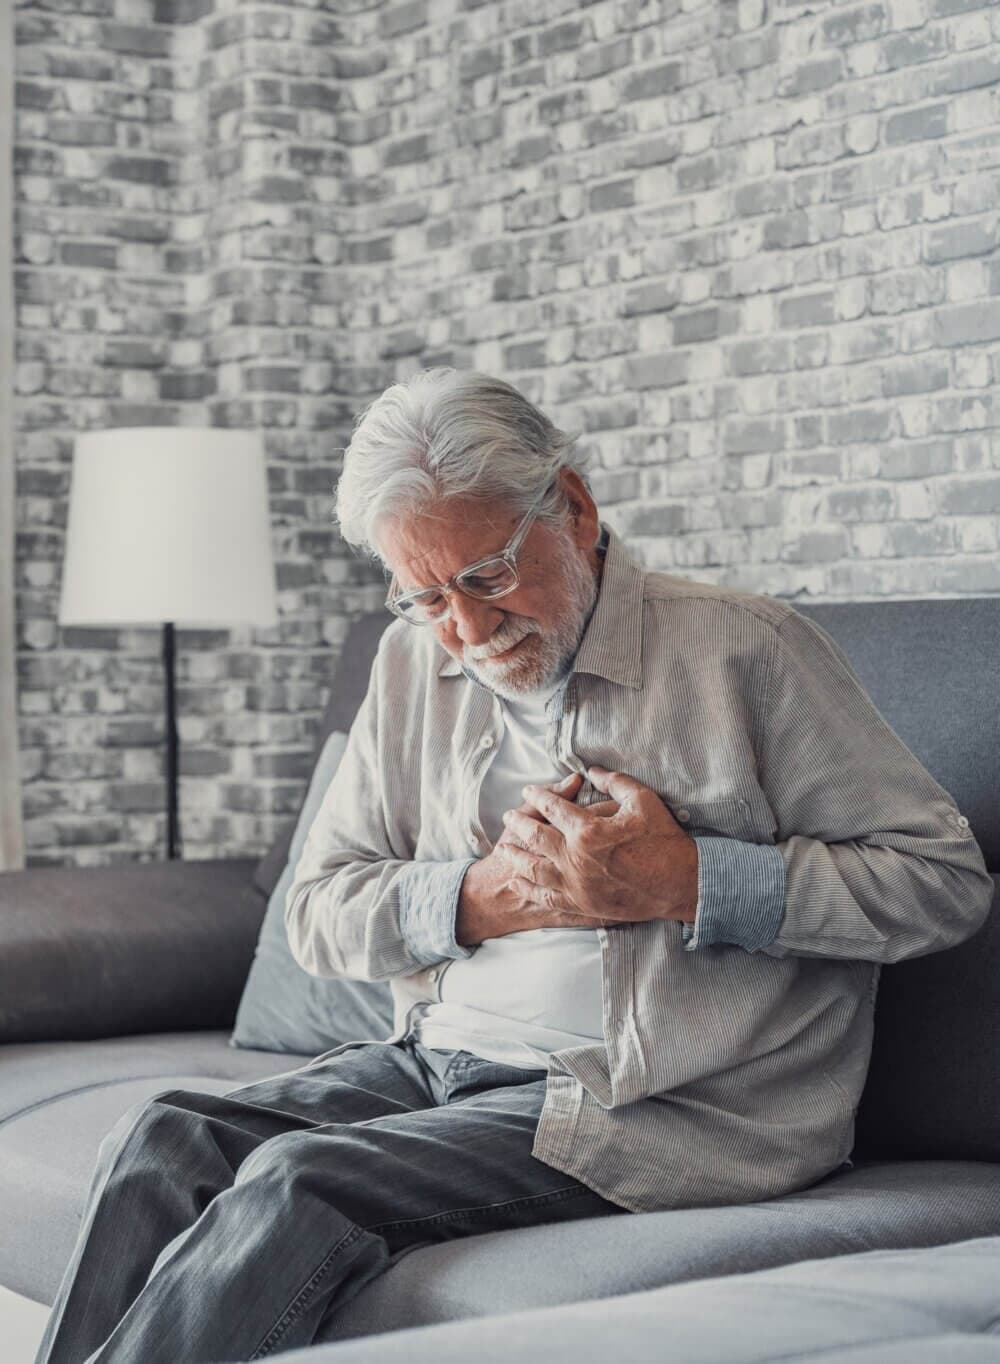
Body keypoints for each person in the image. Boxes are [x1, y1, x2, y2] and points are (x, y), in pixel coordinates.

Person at [36, 369, 993, 1364]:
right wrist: (478, 898)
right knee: (164, 1140)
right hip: (443, 1058)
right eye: (425, 595)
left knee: (298, 1182)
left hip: (656, 1106)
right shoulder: (411, 666)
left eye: (488, 575)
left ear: (571, 507)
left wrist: (689, 880)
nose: (467, 628)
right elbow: (317, 910)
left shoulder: (744, 652)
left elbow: (943, 881)